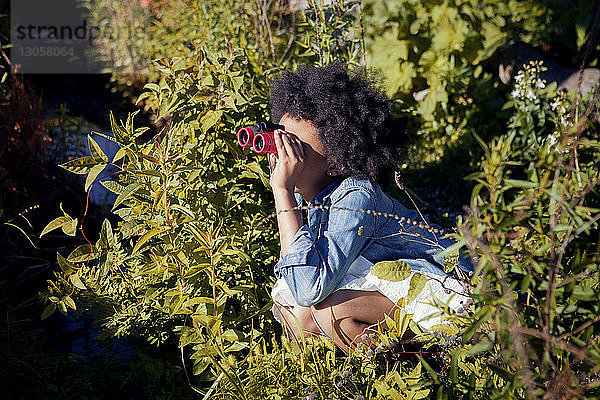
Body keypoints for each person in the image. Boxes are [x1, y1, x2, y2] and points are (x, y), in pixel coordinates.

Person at [266, 62, 473, 352]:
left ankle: (425, 360)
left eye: (296, 148)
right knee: (298, 315)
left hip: (445, 290)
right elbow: (299, 281)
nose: (284, 155)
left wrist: (282, 190)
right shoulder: (306, 197)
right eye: (280, 140)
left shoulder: (357, 197)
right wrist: (288, 194)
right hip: (386, 283)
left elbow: (309, 286)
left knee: (331, 312)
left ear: (337, 163)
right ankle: (360, 374)